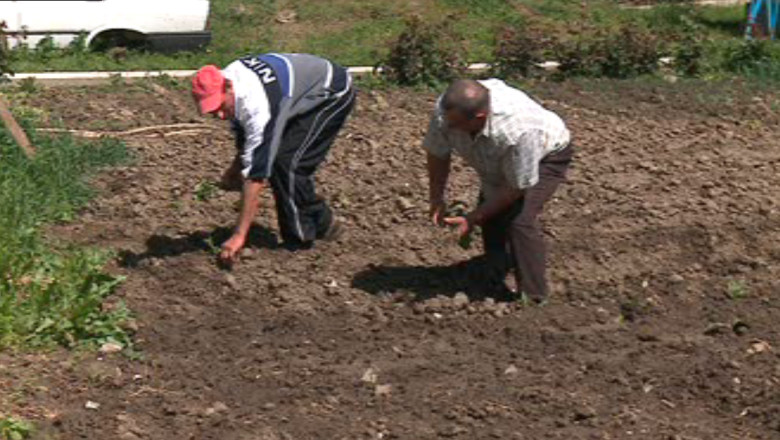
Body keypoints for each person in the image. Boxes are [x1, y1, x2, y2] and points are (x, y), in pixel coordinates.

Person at [191, 53, 356, 264]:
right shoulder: (233, 83)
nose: (221, 116)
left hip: (330, 93)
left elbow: (256, 176)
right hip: (293, 94)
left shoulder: (257, 104)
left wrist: (239, 235)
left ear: (228, 87)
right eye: (213, 110)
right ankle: (322, 222)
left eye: (221, 107)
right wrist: (235, 168)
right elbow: (247, 138)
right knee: (277, 159)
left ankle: (300, 243)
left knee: (289, 165)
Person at [423, 79, 573, 303]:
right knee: (491, 211)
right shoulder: (447, 111)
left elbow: (517, 187)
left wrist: (474, 216)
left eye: (456, 125)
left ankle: (534, 297)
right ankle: (494, 273)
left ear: (479, 118)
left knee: (519, 220)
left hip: (546, 156)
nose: (449, 128)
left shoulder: (519, 132)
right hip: (498, 156)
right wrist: (437, 197)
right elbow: (438, 153)